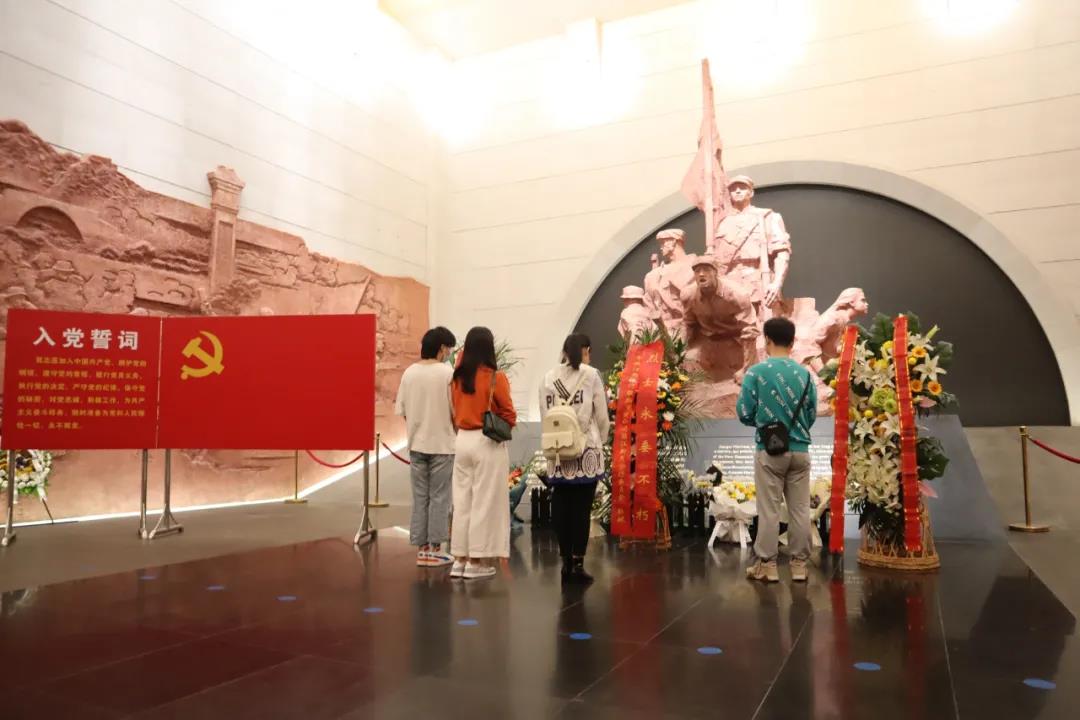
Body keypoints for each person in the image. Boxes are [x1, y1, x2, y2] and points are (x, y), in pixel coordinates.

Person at [736, 317, 817, 583]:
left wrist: (764, 424)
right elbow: (811, 413)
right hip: (801, 450)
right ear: (792, 342)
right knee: (800, 510)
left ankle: (767, 566)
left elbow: (744, 412)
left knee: (769, 510)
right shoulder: (805, 374)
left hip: (769, 451)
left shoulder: (756, 373)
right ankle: (799, 566)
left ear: (766, 340)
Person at [539, 333, 610, 584]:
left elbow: (545, 415)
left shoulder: (548, 378)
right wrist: (601, 440)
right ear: (585, 350)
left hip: (558, 450)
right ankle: (578, 564)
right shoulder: (591, 375)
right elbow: (601, 415)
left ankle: (565, 561)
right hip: (584, 448)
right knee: (581, 508)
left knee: (561, 505)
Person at [449, 327, 517, 579]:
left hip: (462, 440)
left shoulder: (457, 378)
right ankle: (476, 562)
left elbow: (453, 410)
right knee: (484, 502)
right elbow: (509, 414)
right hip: (487, 442)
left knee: (462, 502)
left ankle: (459, 559)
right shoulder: (495, 378)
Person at [394, 326, 457, 567]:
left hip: (416, 445)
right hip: (442, 444)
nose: (449, 353)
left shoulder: (409, 373)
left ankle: (422, 550)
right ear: (442, 348)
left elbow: (403, 411)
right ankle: (436, 549)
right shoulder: (447, 373)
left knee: (420, 497)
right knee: (440, 497)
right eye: (448, 348)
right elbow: (455, 411)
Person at [711, 175, 792, 358]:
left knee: (763, 335)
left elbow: (782, 252)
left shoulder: (767, 217)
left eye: (742, 187)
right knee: (731, 337)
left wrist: (776, 283)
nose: (737, 191)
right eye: (733, 188)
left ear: (751, 192)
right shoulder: (723, 223)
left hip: (757, 278)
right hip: (729, 283)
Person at [642, 228, 695, 338]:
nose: (661, 247)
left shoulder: (695, 267)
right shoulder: (654, 275)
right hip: (664, 332)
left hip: (691, 330)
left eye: (663, 243)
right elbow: (649, 307)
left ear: (673, 241)